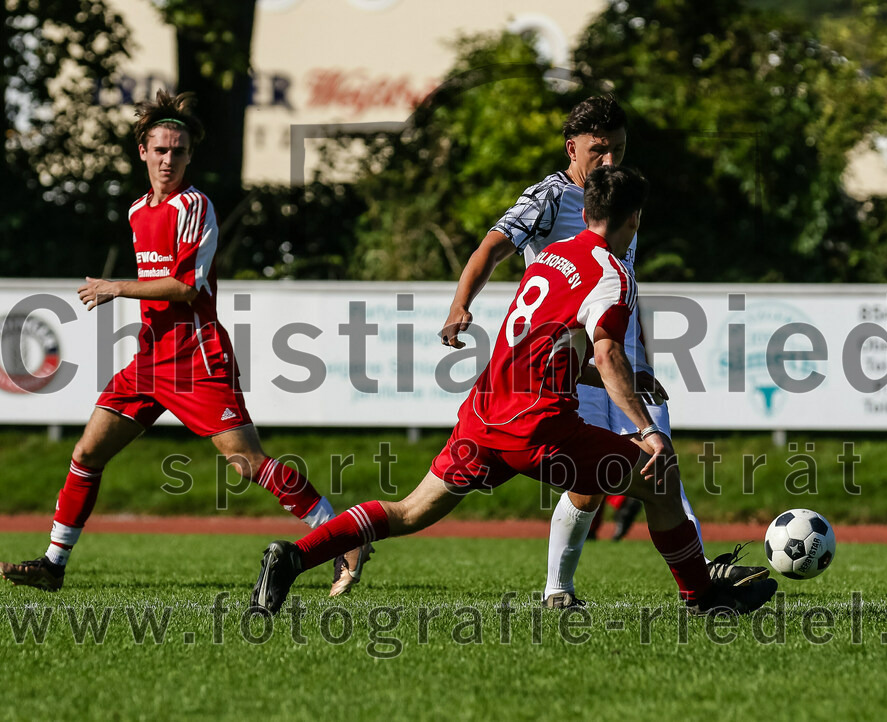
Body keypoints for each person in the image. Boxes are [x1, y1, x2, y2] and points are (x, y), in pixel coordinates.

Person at [251, 166, 778, 616]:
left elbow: (554, 354)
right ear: (635, 219)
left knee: (410, 512)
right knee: (659, 476)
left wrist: (621, 381)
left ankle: (294, 557)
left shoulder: (554, 257)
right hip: (538, 427)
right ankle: (700, 594)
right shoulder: (613, 273)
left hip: (483, 418)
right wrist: (645, 427)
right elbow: (607, 351)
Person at [0, 91, 338, 592]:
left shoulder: (195, 205)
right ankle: (53, 564)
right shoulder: (139, 211)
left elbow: (184, 286)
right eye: (160, 150)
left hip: (195, 358)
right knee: (87, 453)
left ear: (188, 156)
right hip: (149, 359)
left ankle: (342, 537)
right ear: (142, 151)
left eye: (177, 152)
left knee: (246, 464)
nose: (168, 160)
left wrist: (116, 287)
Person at [440, 96, 768, 607]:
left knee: (661, 463)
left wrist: (643, 353)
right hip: (573, 362)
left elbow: (625, 288)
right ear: (573, 148)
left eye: (618, 148)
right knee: (599, 480)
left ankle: (699, 578)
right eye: (599, 150)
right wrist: (461, 305)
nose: (611, 161)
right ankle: (561, 589)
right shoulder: (549, 197)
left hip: (622, 356)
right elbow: (491, 248)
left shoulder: (619, 197)